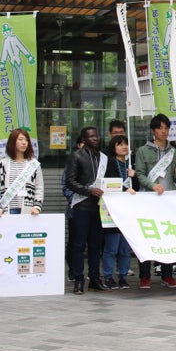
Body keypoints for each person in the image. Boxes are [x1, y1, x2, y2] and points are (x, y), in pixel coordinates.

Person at [135, 113, 176, 289]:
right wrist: (152, 185)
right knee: (147, 237)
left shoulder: (174, 152)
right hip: (148, 199)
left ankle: (167, 275)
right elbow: (139, 174)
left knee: (168, 237)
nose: (164, 131)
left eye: (166, 128)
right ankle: (144, 276)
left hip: (168, 200)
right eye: (160, 128)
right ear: (153, 131)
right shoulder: (142, 151)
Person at [65, 126, 110, 294]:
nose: (95, 139)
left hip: (98, 207)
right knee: (79, 245)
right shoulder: (76, 156)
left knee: (96, 245)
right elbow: (70, 181)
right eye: (91, 136)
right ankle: (78, 279)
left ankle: (94, 279)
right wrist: (88, 190)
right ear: (83, 139)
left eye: (96, 136)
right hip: (81, 207)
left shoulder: (103, 157)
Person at [102, 135, 138, 289]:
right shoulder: (109, 163)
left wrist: (134, 176)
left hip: (128, 210)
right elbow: (109, 184)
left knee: (125, 248)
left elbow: (136, 187)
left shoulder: (131, 164)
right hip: (113, 210)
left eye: (126, 144)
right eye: (120, 144)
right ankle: (108, 276)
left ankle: (123, 276)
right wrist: (124, 189)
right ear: (113, 147)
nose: (124, 147)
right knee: (111, 247)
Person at [0, 128, 44, 216]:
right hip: (6, 210)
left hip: (28, 210)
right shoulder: (2, 164)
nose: (24, 142)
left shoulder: (34, 165)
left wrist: (36, 206)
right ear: (12, 141)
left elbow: (39, 188)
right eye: (20, 139)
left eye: (26, 140)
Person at [62, 133, 85, 281]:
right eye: (83, 142)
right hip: (75, 209)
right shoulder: (72, 161)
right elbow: (65, 186)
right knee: (74, 242)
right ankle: (73, 270)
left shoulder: (97, 161)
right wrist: (76, 199)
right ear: (78, 145)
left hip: (92, 209)